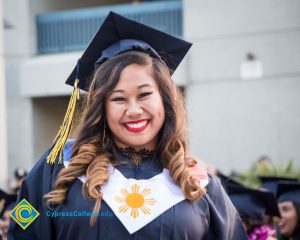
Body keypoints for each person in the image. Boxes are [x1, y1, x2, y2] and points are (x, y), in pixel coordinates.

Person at [9, 11, 247, 239]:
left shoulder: (199, 183)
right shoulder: (60, 167)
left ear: (165, 101)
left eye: (144, 95)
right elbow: (23, 228)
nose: (133, 110)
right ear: (101, 107)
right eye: (119, 98)